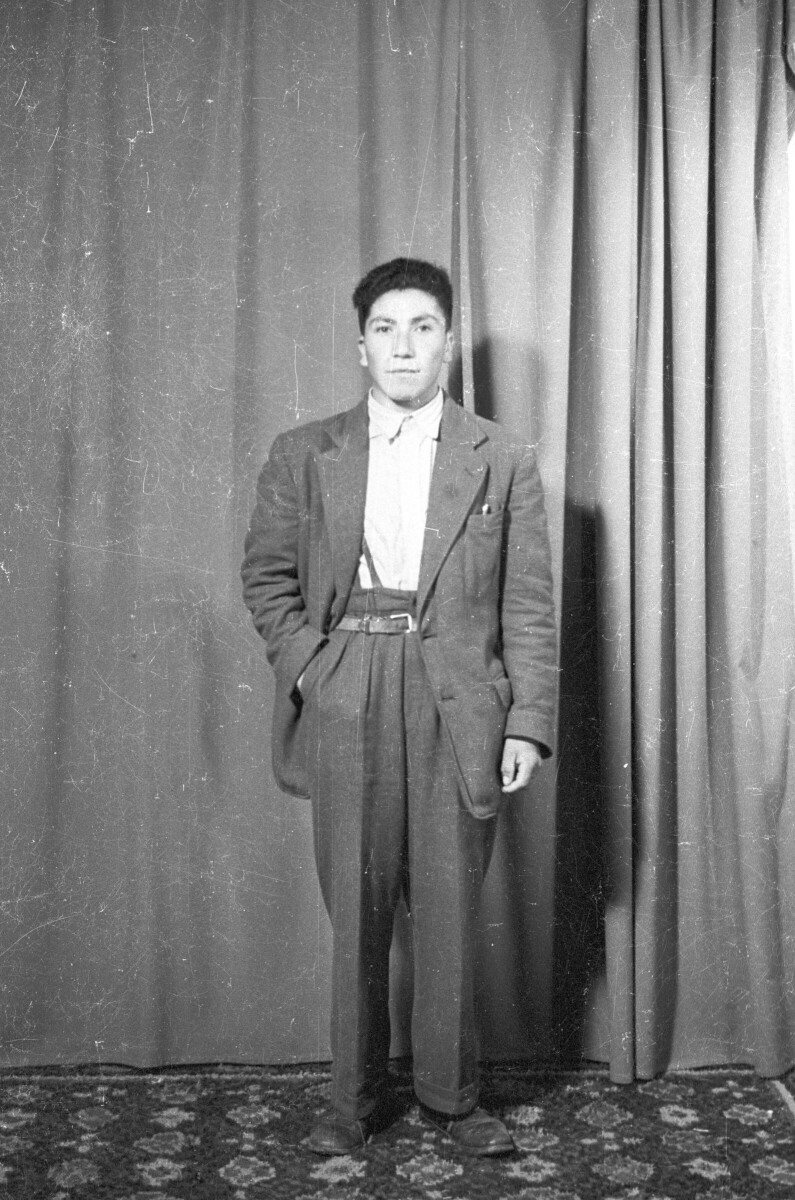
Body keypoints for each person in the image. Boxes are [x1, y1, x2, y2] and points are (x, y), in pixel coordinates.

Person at [241, 258, 557, 1157]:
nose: (404, 345)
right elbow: (266, 578)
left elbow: (526, 603)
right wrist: (313, 670)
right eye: (385, 328)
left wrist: (526, 722)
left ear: (448, 342)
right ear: (360, 346)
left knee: (452, 909)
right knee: (357, 908)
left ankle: (453, 1100)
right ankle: (351, 1101)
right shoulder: (304, 453)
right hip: (347, 690)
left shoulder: (500, 455)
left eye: (423, 327)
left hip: (458, 707)